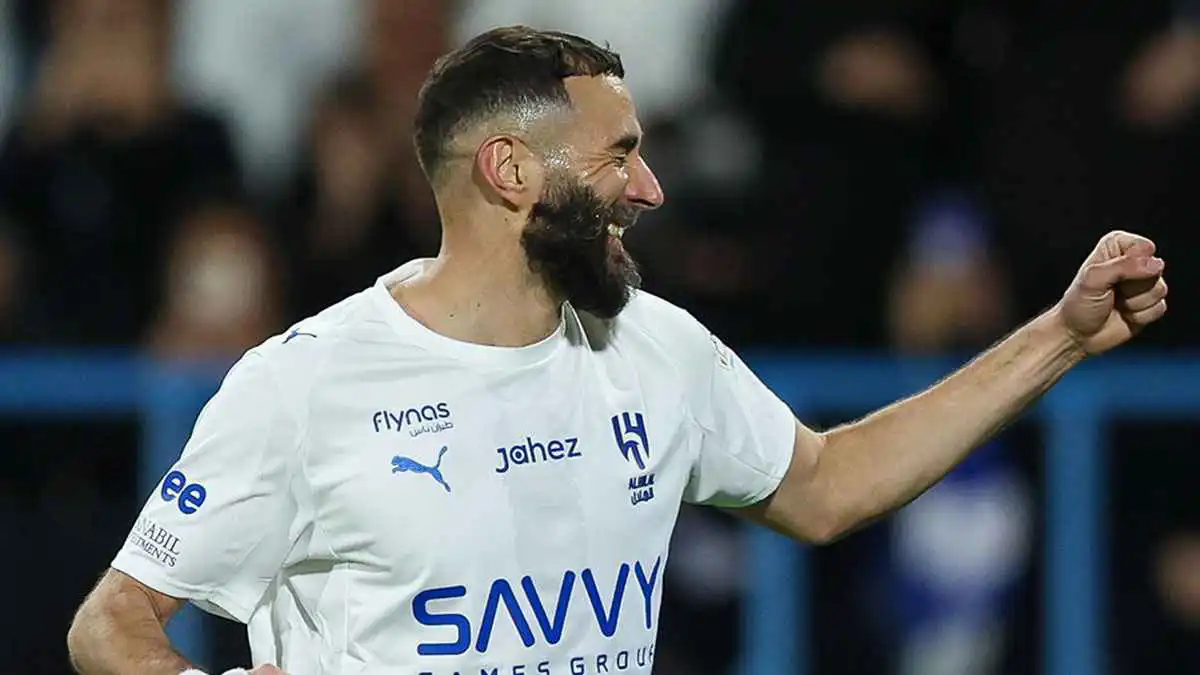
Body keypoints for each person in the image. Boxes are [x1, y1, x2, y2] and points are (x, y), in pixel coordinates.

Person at [65, 26, 1169, 675]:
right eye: (619, 156)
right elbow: (112, 622)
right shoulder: (307, 385)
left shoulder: (652, 346)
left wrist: (1059, 337)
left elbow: (828, 485)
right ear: (510, 171)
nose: (649, 188)